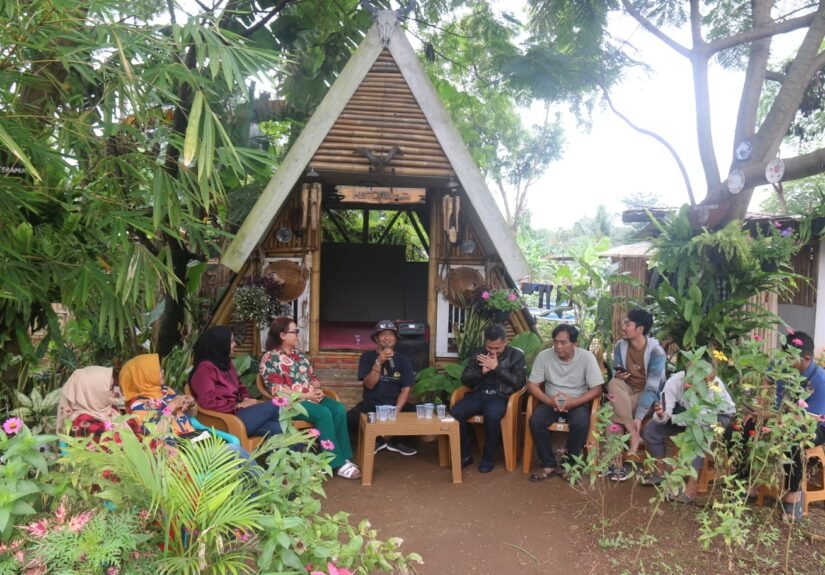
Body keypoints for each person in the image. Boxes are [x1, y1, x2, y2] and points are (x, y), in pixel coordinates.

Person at [260, 317, 361, 479]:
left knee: (338, 409)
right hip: (291, 403)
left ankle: (344, 456)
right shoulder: (270, 358)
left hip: (311, 398)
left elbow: (312, 378)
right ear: (282, 335)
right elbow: (276, 390)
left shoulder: (300, 355)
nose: (297, 335)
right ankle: (336, 463)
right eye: (295, 332)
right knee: (322, 413)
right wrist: (305, 395)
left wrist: (317, 388)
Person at [641, 365, 736, 503]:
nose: (687, 385)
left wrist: (674, 419)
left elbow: (698, 420)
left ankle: (692, 486)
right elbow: (666, 412)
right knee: (652, 430)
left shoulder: (714, 386)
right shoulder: (674, 382)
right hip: (686, 412)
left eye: (694, 382)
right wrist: (661, 415)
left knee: (696, 436)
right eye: (687, 380)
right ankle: (660, 472)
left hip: (717, 416)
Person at [526, 324, 604, 482]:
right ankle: (548, 464)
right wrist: (549, 401)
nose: (558, 346)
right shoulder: (544, 356)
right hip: (551, 402)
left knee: (581, 423)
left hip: (576, 402)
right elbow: (532, 385)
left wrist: (574, 402)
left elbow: (597, 389)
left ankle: (569, 465)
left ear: (574, 344)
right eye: (556, 342)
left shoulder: (586, 357)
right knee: (536, 421)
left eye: (563, 343)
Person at [189, 326, 285, 443]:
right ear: (220, 344)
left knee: (281, 429)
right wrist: (237, 406)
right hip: (223, 420)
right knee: (276, 404)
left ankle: (298, 459)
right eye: (231, 341)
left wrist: (245, 398)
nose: (235, 344)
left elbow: (239, 386)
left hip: (240, 416)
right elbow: (208, 402)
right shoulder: (205, 369)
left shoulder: (226, 364)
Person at [451, 324, 526, 473]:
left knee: (492, 416)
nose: (493, 351)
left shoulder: (516, 356)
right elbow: (465, 380)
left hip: (501, 396)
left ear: (505, 342)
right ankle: (465, 454)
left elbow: (519, 383)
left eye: (497, 348)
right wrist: (481, 372)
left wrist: (497, 368)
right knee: (455, 413)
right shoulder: (477, 353)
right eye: (489, 348)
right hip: (479, 394)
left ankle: (488, 457)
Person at [607, 309, 667, 470]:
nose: (623, 327)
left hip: (648, 397)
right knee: (613, 383)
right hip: (626, 392)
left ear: (640, 329)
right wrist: (620, 377)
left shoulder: (656, 353)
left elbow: (653, 389)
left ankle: (615, 465)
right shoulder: (620, 346)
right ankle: (634, 435)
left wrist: (639, 417)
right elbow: (616, 376)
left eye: (628, 324)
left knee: (612, 412)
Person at [347, 320, 417, 456]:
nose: (387, 338)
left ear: (396, 339)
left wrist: (397, 410)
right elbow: (369, 384)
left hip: (394, 404)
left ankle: (397, 442)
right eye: (383, 335)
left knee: (415, 415)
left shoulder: (403, 359)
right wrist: (379, 362)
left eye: (391, 335)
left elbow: (406, 388)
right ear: (376, 339)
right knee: (349, 418)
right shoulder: (367, 357)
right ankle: (377, 441)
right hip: (372, 404)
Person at [775, 331, 825, 520]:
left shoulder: (820, 380)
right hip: (787, 420)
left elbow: (813, 418)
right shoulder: (786, 372)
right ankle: (748, 485)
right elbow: (778, 401)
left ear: (806, 358)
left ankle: (793, 495)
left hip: (818, 425)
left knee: (793, 440)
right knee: (748, 427)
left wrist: (781, 420)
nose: (786, 362)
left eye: (790, 358)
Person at [119, 353, 207, 441]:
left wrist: (190, 404)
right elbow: (156, 434)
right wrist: (171, 406)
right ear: (145, 376)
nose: (163, 371)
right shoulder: (138, 406)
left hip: (193, 436)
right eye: (158, 370)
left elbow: (191, 415)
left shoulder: (166, 390)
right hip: (173, 446)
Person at [56, 365, 130, 439]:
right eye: (111, 388)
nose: (116, 392)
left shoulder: (107, 409)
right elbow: (114, 446)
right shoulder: (83, 423)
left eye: (115, 387)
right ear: (93, 392)